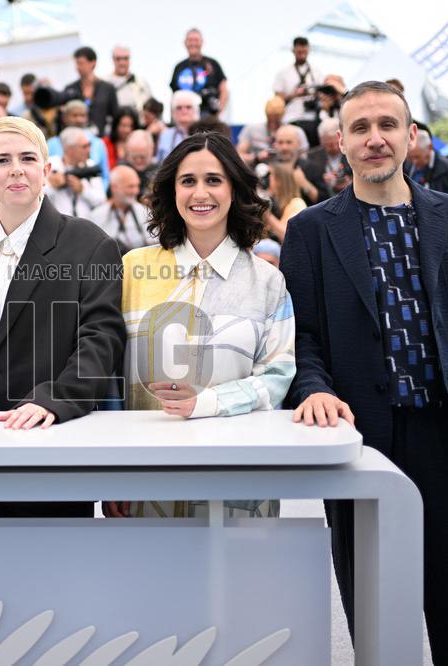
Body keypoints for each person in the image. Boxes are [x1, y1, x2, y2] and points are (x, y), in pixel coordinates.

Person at [280, 81, 448, 665]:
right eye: (360, 127)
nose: (375, 138)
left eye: (388, 125)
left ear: (412, 137)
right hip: (369, 445)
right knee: (383, 631)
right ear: (340, 142)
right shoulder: (311, 230)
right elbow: (301, 336)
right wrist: (315, 389)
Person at [0, 116, 126, 518]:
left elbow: (101, 339)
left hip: (54, 454)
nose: (16, 168)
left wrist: (57, 398)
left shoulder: (90, 245)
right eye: (2, 161)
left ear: (46, 171)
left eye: (28, 158)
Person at [106, 131, 294, 520]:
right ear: (171, 191)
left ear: (234, 189)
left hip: (238, 482)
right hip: (144, 483)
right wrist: (112, 473)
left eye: (213, 180)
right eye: (188, 181)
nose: (200, 193)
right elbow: (110, 380)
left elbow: (279, 375)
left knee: (237, 581)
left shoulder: (267, 281)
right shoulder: (131, 271)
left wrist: (206, 405)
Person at [273, 37, 324, 145]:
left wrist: (313, 93)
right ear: (293, 50)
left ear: (308, 50)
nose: (302, 53)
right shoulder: (283, 73)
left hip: (312, 119)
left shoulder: (316, 72)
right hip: (291, 119)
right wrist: (294, 95)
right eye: (299, 51)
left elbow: (323, 95)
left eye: (304, 51)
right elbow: (277, 101)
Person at [46, 127, 106, 219]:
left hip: (85, 224)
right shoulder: (50, 165)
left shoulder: (90, 166)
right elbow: (35, 198)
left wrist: (83, 190)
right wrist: (52, 186)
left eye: (89, 145)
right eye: (84, 147)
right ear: (68, 149)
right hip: (57, 224)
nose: (89, 150)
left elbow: (101, 201)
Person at [90, 164, 152, 253]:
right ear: (114, 187)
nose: (136, 191)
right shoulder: (97, 216)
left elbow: (155, 244)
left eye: (137, 186)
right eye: (130, 186)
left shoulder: (145, 212)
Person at [169, 28, 228, 118]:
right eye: (190, 40)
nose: (193, 43)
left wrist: (219, 112)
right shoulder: (179, 67)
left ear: (202, 42)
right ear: (185, 43)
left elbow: (224, 89)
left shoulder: (212, 64)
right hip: (185, 117)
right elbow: (174, 95)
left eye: (196, 40)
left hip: (208, 115)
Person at [63, 46, 119, 137]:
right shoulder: (70, 89)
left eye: (81, 63)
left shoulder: (108, 88)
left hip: (102, 138)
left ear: (93, 63)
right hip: (76, 140)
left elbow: (116, 116)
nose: (78, 67)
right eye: (76, 63)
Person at [406, 128, 448, 200]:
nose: (414, 162)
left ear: (430, 147)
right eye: (410, 158)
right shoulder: (406, 167)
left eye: (417, 157)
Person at [261, 161, 306, 243]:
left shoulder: (297, 203)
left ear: (279, 181)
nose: (266, 180)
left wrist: (267, 215)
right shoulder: (274, 203)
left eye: (270, 175)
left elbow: (289, 236)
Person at [155, 90, 200, 162]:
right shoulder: (165, 135)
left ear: (196, 111)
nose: (184, 111)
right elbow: (158, 162)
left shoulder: (205, 133)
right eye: (179, 108)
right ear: (173, 113)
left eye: (188, 107)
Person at [109, 45, 152, 113]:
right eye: (118, 59)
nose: (122, 62)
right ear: (113, 59)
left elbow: (149, 108)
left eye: (125, 58)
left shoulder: (141, 83)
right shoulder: (105, 82)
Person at [122, 130, 157, 200]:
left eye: (142, 157)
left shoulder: (160, 172)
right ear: (127, 154)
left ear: (152, 151)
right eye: (134, 157)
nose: (138, 160)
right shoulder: (121, 171)